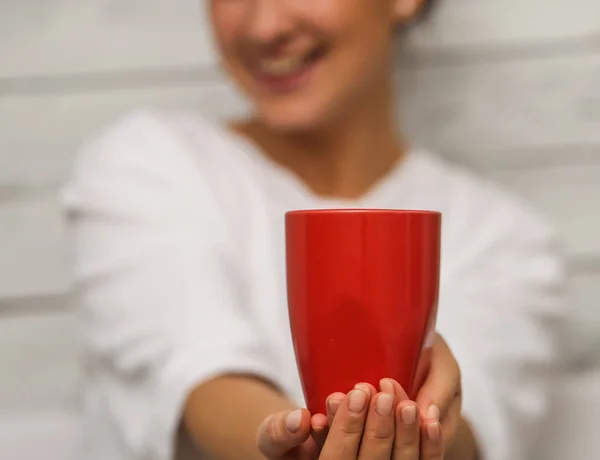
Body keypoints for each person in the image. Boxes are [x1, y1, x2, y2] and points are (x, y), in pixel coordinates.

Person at [60, 0, 566, 459]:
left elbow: (477, 435)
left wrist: (430, 429)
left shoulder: (505, 238)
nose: (264, 27)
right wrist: (299, 446)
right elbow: (196, 371)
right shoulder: (147, 164)